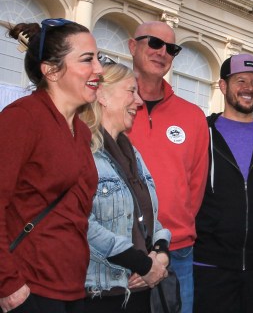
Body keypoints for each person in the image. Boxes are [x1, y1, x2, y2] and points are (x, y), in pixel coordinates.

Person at [0, 19, 102, 313]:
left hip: (71, 289)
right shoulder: (22, 118)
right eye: (87, 60)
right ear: (51, 70)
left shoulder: (81, 131)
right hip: (28, 290)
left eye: (98, 58)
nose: (99, 69)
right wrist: (8, 284)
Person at [193, 54, 253, 312]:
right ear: (223, 86)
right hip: (209, 267)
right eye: (241, 80)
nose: (249, 88)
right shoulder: (202, 133)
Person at [126, 21, 209, 313]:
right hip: (118, 252)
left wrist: (176, 224)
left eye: (171, 48)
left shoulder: (193, 116)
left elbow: (196, 185)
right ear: (132, 46)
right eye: (154, 44)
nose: (162, 52)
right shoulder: (106, 104)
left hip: (177, 251)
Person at [81, 62, 171, 312]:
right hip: (100, 294)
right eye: (131, 91)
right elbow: (80, 223)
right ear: (102, 95)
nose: (139, 101)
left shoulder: (133, 154)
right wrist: (142, 264)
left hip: (138, 293)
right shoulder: (80, 150)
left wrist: (161, 255)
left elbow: (152, 221)